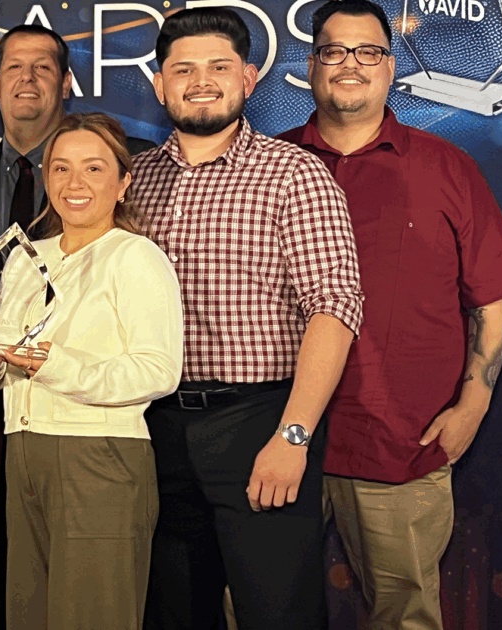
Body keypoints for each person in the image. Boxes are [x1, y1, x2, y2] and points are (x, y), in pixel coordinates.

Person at [275, 2, 502, 628]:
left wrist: (473, 403)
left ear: (391, 68)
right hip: (276, 436)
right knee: (260, 607)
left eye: (368, 51)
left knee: (406, 616)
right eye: (334, 51)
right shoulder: (269, 165)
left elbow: (492, 296)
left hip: (399, 439)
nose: (351, 64)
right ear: (311, 65)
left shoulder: (445, 166)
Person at [131, 7, 365, 630]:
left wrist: (294, 436)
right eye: (183, 69)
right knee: (171, 613)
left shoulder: (295, 174)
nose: (200, 81)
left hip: (260, 425)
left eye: (218, 66)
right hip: (152, 428)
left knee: (279, 613)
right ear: (159, 84)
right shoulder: (133, 181)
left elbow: (335, 307)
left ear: (248, 78)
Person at [0, 25, 155, 629]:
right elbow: (4, 350)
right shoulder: (26, 253)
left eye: (94, 168)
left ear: (123, 180)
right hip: (18, 445)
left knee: (93, 614)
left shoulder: (135, 256)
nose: (75, 183)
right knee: (27, 612)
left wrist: (49, 364)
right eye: (62, 168)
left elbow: (157, 370)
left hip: (98, 451)